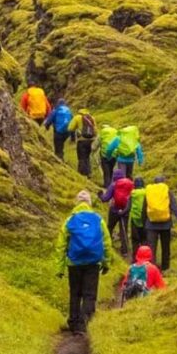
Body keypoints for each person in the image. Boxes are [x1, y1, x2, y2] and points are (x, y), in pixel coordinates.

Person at [55, 190, 112, 334]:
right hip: (93, 262)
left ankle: (73, 322)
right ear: (89, 203)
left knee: (75, 293)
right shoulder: (98, 220)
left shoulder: (70, 220)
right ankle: (84, 324)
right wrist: (106, 263)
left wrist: (60, 268)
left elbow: (61, 245)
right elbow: (106, 243)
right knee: (89, 294)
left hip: (74, 263)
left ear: (77, 202)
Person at [141, 174, 177, 272]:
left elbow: (144, 208)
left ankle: (151, 269)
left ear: (154, 182)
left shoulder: (149, 191)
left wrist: (143, 223)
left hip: (151, 224)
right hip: (165, 224)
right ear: (163, 182)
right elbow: (174, 206)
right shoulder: (166, 191)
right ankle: (165, 268)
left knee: (152, 248)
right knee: (165, 247)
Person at [101, 164, 135, 256]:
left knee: (110, 227)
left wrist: (100, 195)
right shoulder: (129, 184)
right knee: (123, 230)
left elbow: (105, 198)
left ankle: (108, 244)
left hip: (114, 209)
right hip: (125, 210)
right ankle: (125, 250)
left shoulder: (113, 185)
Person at [74, 111, 100, 178]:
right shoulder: (92, 118)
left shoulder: (78, 118)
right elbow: (95, 130)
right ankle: (89, 172)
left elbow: (70, 128)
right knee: (87, 157)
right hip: (91, 140)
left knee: (81, 157)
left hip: (81, 140)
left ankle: (82, 173)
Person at [128, 177, 150, 254]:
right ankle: (145, 256)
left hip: (134, 219)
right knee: (145, 239)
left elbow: (128, 207)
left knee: (135, 240)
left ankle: (135, 256)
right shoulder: (146, 192)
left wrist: (121, 212)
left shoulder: (132, 193)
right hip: (145, 218)